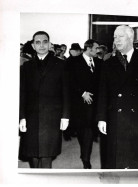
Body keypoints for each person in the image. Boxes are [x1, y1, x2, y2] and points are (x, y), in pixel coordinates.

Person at [97, 25, 138, 169]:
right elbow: (103, 93)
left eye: (120, 36)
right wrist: (101, 118)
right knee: (116, 160)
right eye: (115, 37)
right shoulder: (108, 64)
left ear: (130, 38)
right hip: (116, 118)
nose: (116, 40)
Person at [19, 31, 70, 168]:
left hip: (52, 117)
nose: (42, 45)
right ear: (33, 46)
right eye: (38, 42)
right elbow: (22, 94)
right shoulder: (26, 67)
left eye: (45, 41)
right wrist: (22, 117)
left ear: (49, 44)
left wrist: (65, 116)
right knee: (33, 155)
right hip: (31, 117)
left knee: (47, 155)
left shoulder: (61, 65)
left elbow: (66, 92)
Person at [70, 39, 102, 169]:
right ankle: (85, 156)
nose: (98, 51)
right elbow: (70, 82)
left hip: (95, 105)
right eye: (96, 49)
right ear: (88, 49)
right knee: (83, 131)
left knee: (89, 132)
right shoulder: (73, 62)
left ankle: (85, 157)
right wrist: (82, 93)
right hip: (79, 104)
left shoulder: (99, 63)